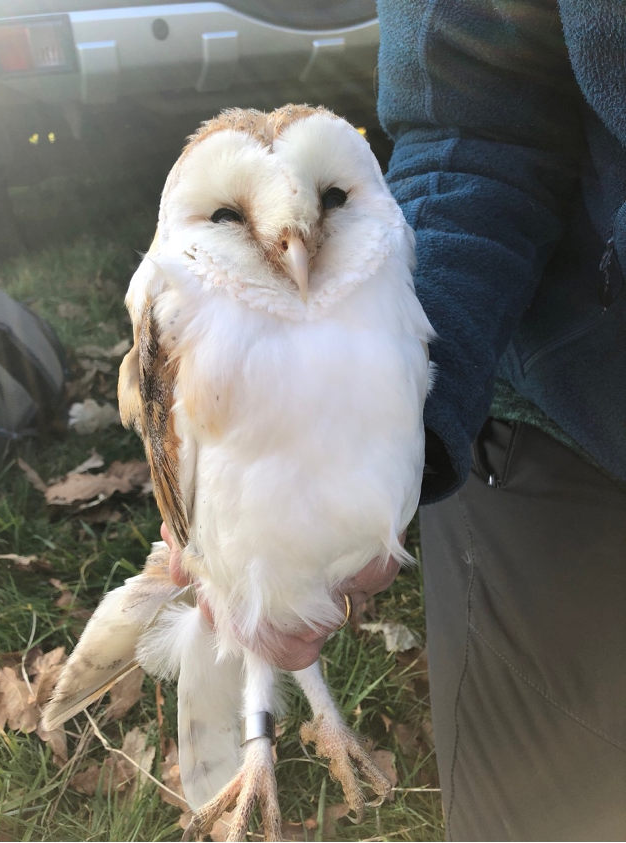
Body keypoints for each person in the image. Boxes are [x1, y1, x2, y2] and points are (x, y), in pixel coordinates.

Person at [168, 1, 626, 839]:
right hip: (580, 420)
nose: (296, 255)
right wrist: (411, 400)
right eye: (238, 221)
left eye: (328, 207)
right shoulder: (190, 340)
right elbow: (478, 121)